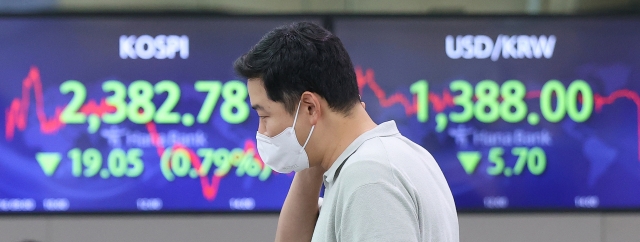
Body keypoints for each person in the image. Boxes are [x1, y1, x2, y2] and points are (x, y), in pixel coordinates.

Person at [234, 21, 459, 242]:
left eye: (264, 116)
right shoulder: (392, 158)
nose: (261, 131)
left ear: (310, 107)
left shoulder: (368, 177)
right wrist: (311, 152)